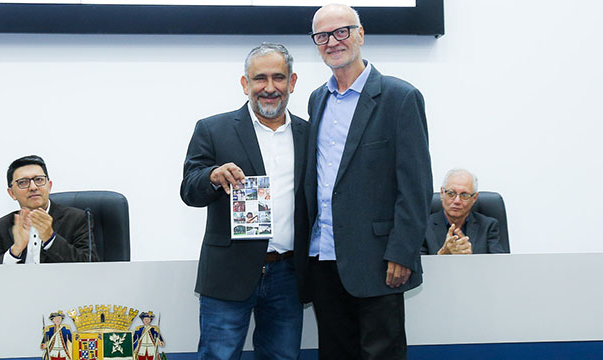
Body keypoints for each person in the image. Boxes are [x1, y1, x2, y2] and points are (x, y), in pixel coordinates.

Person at [294, 4, 433, 359]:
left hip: (378, 262)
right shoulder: (317, 99)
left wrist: (402, 251)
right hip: (324, 259)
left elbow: (415, 186)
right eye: (322, 36)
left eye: (342, 31)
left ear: (360, 34)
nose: (332, 42)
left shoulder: (400, 98)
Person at [180, 43, 308, 359]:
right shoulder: (213, 129)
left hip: (288, 275)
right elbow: (188, 189)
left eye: (278, 78)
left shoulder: (310, 133)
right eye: (259, 78)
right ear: (245, 84)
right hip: (228, 273)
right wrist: (211, 176)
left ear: (292, 82)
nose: (269, 87)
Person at [0, 155, 98, 264]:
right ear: (12, 193)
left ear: (49, 186)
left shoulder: (77, 219)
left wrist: (50, 239)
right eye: (23, 182)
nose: (33, 187)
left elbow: (89, 265)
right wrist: (16, 249)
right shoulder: (0, 226)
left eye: (39, 180)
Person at [421, 168, 506, 255]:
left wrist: (470, 259)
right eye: (451, 193)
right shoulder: (423, 226)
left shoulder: (488, 227)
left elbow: (499, 265)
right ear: (442, 193)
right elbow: (417, 265)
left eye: (464, 195)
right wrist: (443, 254)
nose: (457, 201)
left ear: (474, 198)